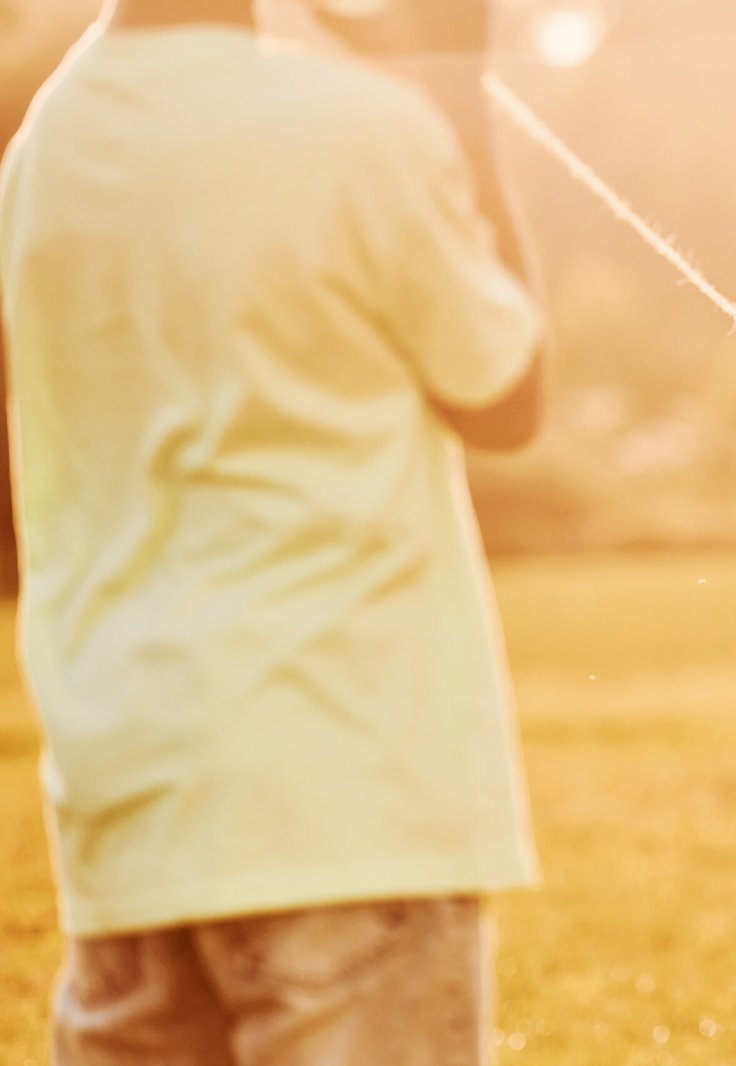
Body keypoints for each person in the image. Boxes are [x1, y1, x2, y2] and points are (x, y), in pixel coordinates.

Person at [0, 0, 546, 1062]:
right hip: (346, 806)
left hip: (127, 820)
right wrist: (454, 94)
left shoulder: (41, 151)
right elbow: (508, 395)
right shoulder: (357, 128)